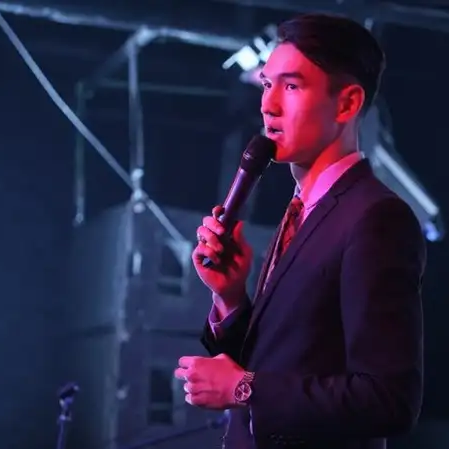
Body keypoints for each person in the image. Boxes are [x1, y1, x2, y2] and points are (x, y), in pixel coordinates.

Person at [174, 13, 426, 449]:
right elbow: (281, 358)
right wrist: (230, 298)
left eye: (291, 87)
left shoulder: (376, 218)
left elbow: (389, 399)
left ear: (346, 104)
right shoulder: (303, 210)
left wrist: (243, 389)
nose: (268, 105)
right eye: (266, 84)